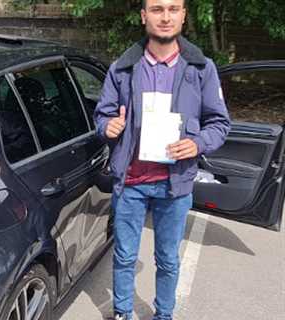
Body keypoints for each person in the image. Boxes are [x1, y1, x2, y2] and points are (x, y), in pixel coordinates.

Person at [94, 0, 231, 319]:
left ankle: (164, 315)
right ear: (144, 16)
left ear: (184, 15)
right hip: (131, 183)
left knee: (168, 260)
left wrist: (198, 143)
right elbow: (102, 115)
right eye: (157, 9)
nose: (165, 17)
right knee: (125, 256)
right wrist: (108, 126)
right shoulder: (122, 68)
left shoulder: (201, 68)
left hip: (176, 184)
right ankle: (123, 312)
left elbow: (220, 124)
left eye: (173, 9)